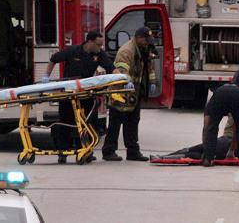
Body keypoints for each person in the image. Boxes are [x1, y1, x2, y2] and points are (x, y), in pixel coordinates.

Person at [43, 31, 115, 164]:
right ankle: (62, 153)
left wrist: (122, 78)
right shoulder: (73, 51)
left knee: (88, 123)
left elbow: (111, 68)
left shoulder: (99, 54)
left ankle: (86, 151)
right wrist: (46, 76)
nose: (100, 48)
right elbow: (54, 59)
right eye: (98, 45)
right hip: (68, 94)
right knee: (65, 122)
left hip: (85, 94)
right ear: (90, 42)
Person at [102, 27, 157, 162]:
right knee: (116, 121)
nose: (147, 43)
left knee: (133, 121)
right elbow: (121, 71)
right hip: (120, 91)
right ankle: (108, 151)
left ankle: (132, 152)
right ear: (138, 38)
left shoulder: (144, 50)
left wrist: (153, 82)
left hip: (134, 92)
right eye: (145, 40)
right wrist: (126, 82)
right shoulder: (126, 51)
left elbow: (149, 67)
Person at [150, 135, 239, 166]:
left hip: (222, 140)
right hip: (223, 149)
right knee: (195, 155)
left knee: (194, 148)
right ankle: (162, 158)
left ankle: (165, 155)